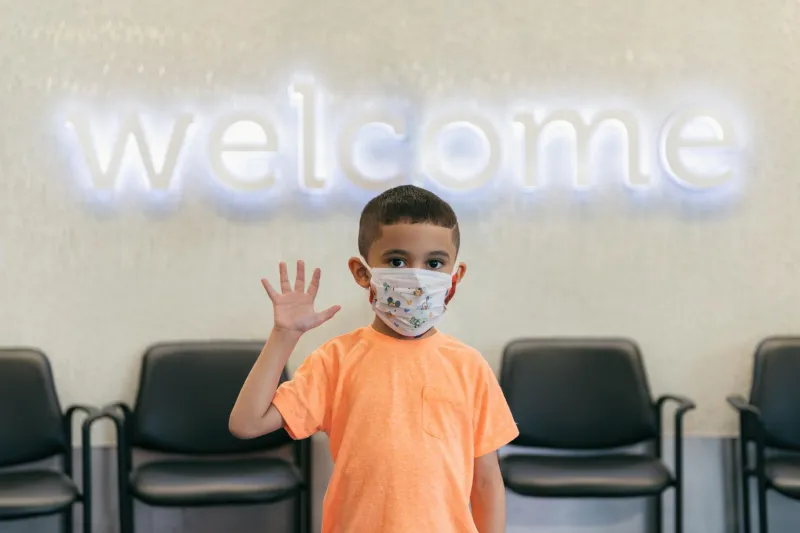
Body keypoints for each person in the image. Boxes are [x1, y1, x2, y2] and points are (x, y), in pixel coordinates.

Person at [229, 185, 519, 533]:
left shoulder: (470, 367)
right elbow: (246, 424)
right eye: (397, 261)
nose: (415, 276)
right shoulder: (335, 360)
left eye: (434, 263)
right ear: (362, 273)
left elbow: (486, 482)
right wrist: (284, 336)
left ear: (454, 278)